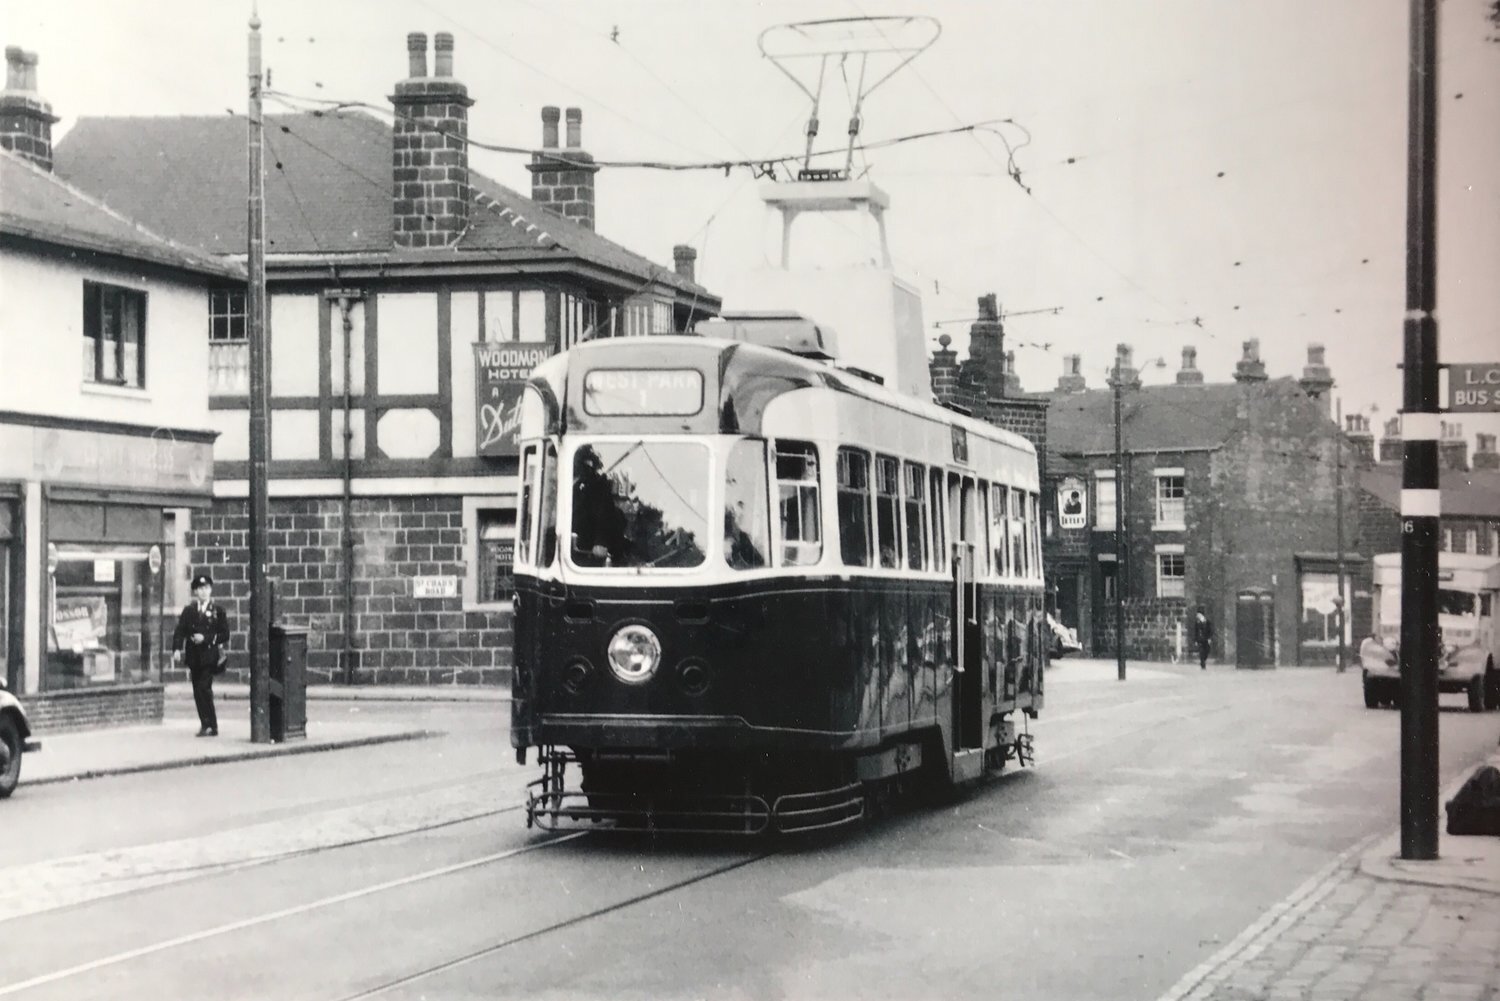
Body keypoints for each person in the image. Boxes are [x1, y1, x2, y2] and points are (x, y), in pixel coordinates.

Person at [173, 573, 231, 736]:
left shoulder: (218, 611)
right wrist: (177, 649)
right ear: (195, 592)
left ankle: (211, 725)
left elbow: (225, 634)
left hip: (209, 657)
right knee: (197, 691)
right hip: (194, 658)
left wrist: (205, 638)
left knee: (204, 689)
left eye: (206, 588)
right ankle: (206, 724)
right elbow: (180, 631)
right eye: (200, 589)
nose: (203, 592)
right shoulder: (189, 610)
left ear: (210, 590)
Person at [1192, 606, 1214, 670]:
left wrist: (1209, 638)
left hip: (1206, 639)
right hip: (1200, 640)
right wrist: (1196, 640)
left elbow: (1210, 630)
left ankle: (1203, 660)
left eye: (1198, 614)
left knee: (1207, 650)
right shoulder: (1197, 623)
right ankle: (1203, 664)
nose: (1197, 616)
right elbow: (1196, 631)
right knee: (1201, 651)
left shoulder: (1207, 622)